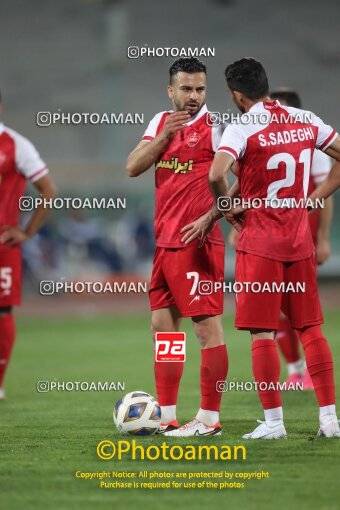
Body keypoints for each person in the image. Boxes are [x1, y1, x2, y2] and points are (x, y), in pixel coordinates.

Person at [183, 57, 340, 439]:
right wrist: (314, 199)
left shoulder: (242, 127)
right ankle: (330, 421)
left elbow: (216, 173)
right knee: (312, 330)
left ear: (236, 94)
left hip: (260, 243)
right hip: (298, 240)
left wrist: (224, 208)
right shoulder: (304, 118)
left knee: (262, 334)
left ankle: (273, 425)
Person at [126, 57, 228, 437]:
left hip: (196, 244)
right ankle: (167, 416)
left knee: (207, 331)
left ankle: (209, 419)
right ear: (171, 91)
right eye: (186, 88)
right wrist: (165, 136)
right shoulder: (159, 122)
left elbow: (241, 179)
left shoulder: (217, 128)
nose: (194, 96)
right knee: (164, 329)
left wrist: (216, 214)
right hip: (164, 244)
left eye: (200, 88)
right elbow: (133, 166)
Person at [229, 88, 334, 390]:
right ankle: (298, 371)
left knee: (292, 317)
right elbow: (252, 183)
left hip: (295, 233)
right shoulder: (262, 134)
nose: (272, 116)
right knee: (289, 316)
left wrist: (323, 237)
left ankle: (285, 402)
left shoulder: (307, 140)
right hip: (272, 232)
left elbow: (324, 195)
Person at [0, 90, 57, 400]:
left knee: (3, 311)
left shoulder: (16, 145)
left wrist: (27, 232)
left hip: (2, 246)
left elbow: (48, 190)